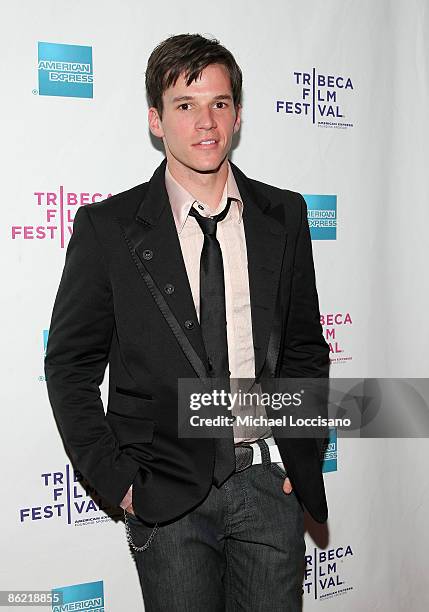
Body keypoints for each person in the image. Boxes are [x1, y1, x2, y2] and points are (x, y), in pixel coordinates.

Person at [45, 33, 330, 611]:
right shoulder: (109, 230)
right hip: (165, 495)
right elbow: (70, 367)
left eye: (219, 103)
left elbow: (303, 348)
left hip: (267, 486)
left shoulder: (286, 215)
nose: (206, 122)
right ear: (156, 120)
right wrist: (120, 483)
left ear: (239, 114)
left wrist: (302, 453)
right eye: (185, 105)